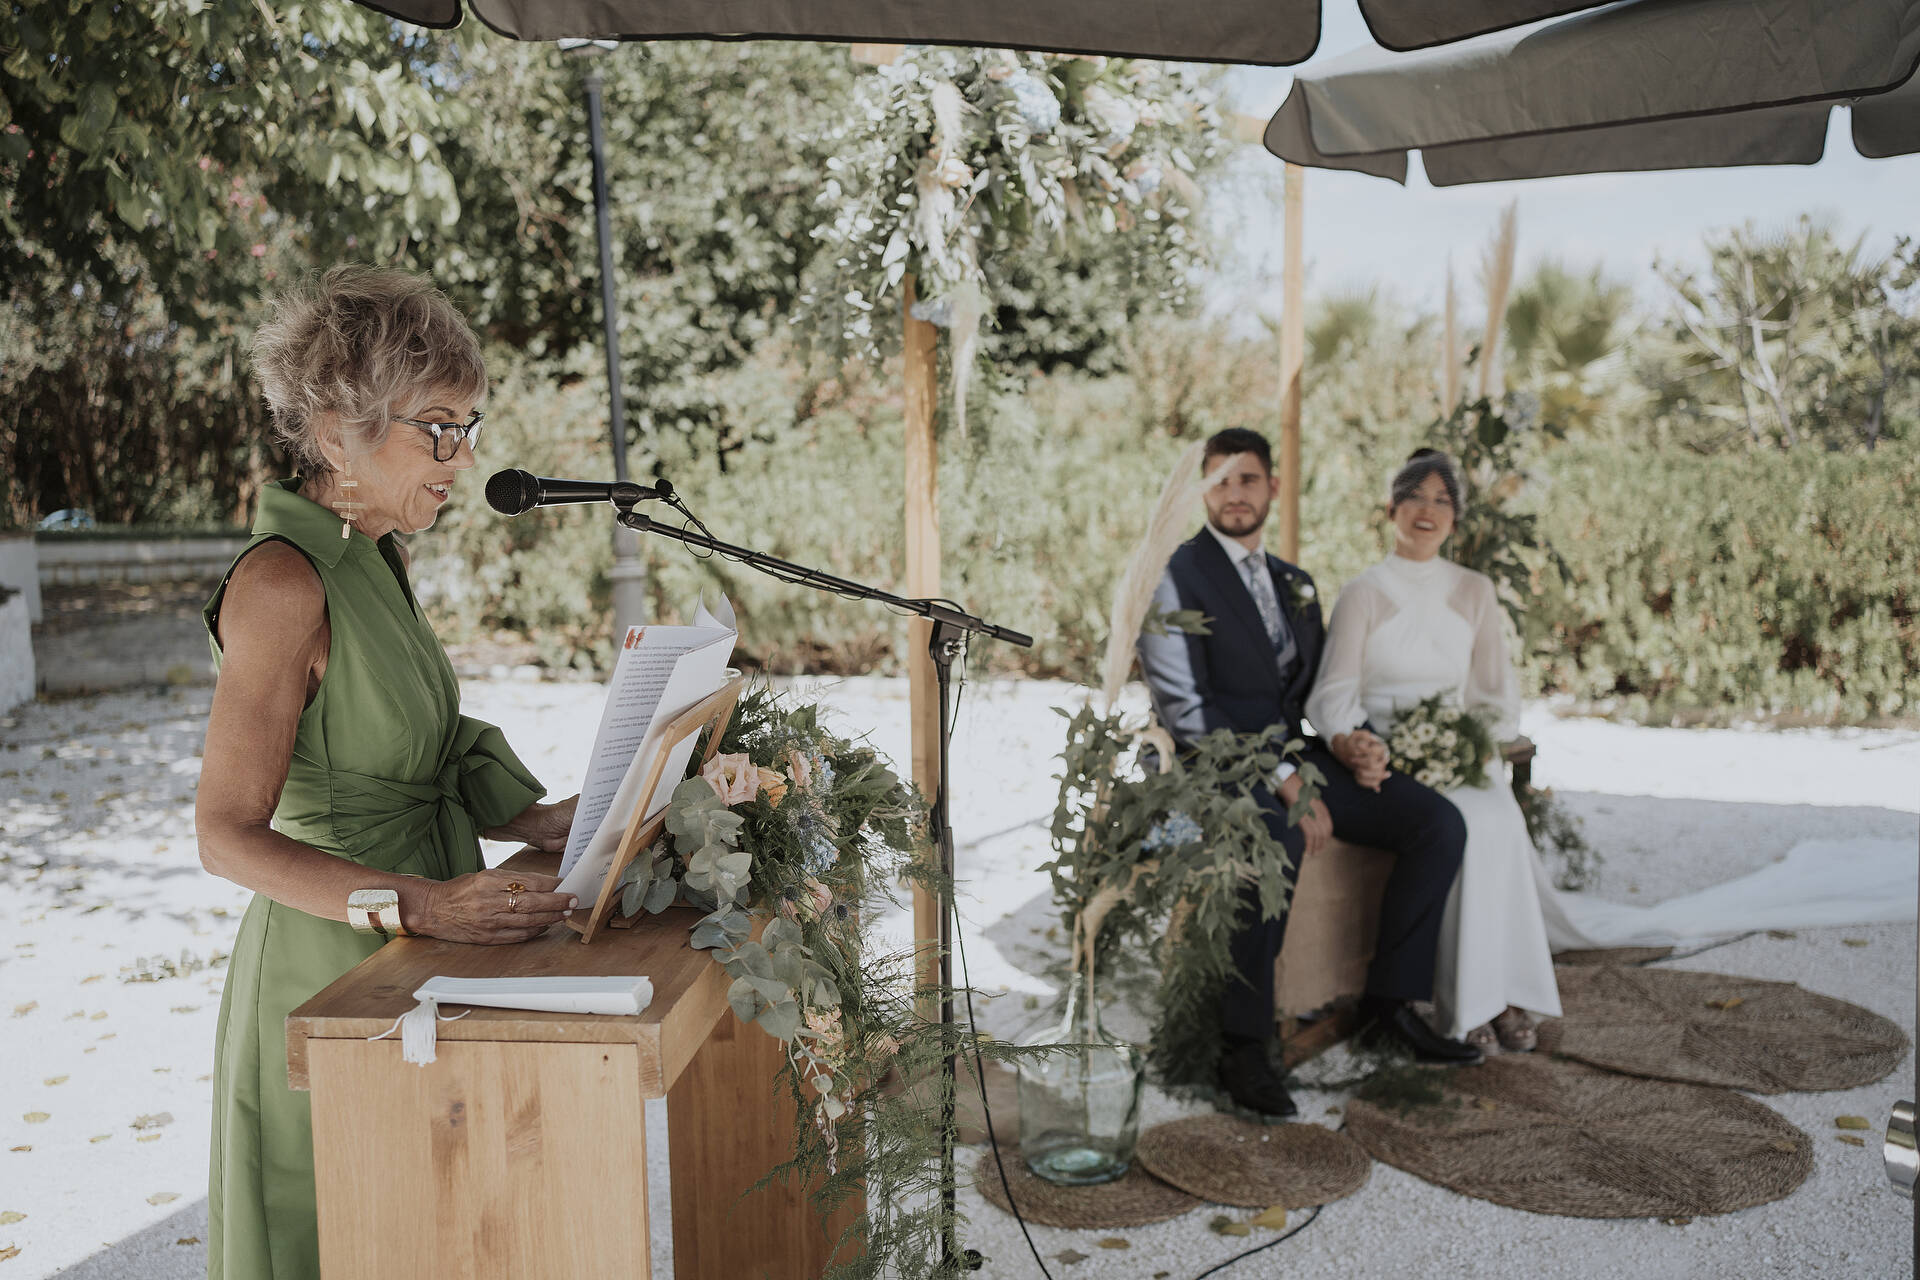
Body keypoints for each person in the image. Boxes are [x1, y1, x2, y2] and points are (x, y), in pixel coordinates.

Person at [195, 266, 580, 1280]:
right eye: (437, 428)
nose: (461, 457)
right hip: (329, 970)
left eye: (470, 426)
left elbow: (425, 742)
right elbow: (223, 834)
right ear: (336, 434)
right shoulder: (284, 577)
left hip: (419, 945)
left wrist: (537, 820)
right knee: (346, 1234)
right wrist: (421, 906)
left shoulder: (369, 549)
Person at [1136, 429, 1481, 1120]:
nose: (1236, 493)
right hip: (1212, 771)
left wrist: (1353, 743)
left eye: (1250, 479)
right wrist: (1283, 777)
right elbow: (1187, 709)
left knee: (1436, 822)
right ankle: (1242, 1045)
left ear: (1273, 488)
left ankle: (1389, 1002)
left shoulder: (1295, 583)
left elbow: (1317, 697)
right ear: (1204, 489)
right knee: (1275, 838)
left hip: (1297, 758)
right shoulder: (1174, 575)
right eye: (1223, 479)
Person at [1305, 449, 1562, 1055]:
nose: (1428, 510)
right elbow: (1332, 694)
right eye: (1415, 497)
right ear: (1391, 508)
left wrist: (1470, 747)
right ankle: (1460, 1004)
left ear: (1456, 518)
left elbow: (1497, 694)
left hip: (1457, 753)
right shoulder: (1363, 593)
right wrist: (1357, 743)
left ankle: (1505, 993)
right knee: (1463, 826)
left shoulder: (1475, 591)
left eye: (1442, 500)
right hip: (1387, 757)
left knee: (1499, 817)